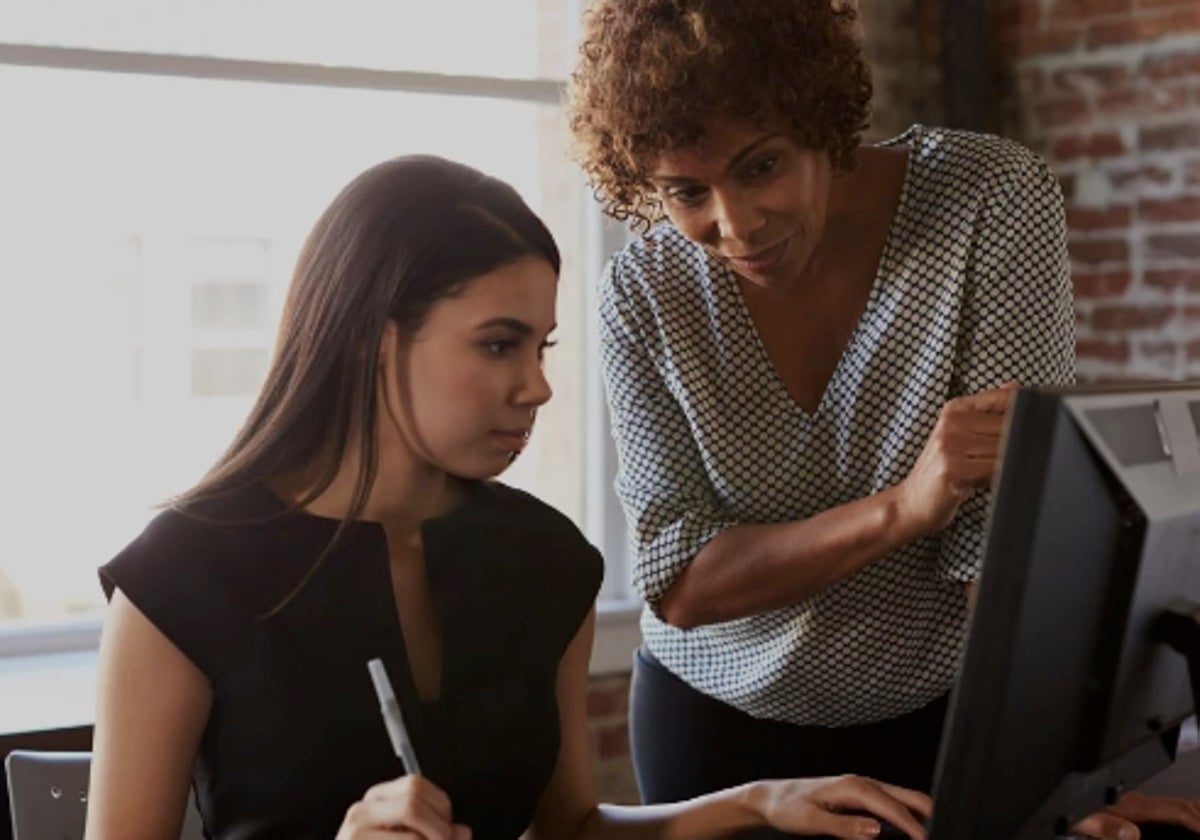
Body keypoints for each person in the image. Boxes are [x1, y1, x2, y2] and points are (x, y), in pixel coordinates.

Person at [85, 154, 935, 840]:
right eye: (499, 346)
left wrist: (755, 804)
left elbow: (569, 827)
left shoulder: (546, 561)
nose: (537, 388)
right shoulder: (182, 579)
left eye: (542, 348)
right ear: (377, 342)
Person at [565, 1, 1200, 838]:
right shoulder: (641, 292)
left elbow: (1002, 550)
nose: (735, 225)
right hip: (713, 729)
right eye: (687, 191)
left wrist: (1067, 785)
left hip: (938, 722)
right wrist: (904, 507)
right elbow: (681, 581)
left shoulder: (986, 199)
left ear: (820, 119)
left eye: (762, 167)